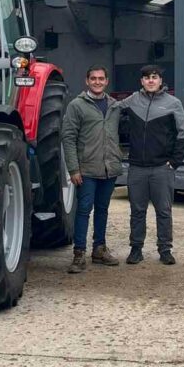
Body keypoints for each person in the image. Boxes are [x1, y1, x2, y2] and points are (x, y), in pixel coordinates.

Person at [121, 65, 184, 265]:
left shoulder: (173, 103)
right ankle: (136, 249)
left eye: (154, 77)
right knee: (137, 211)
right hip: (137, 168)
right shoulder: (132, 100)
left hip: (162, 168)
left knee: (164, 211)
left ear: (160, 81)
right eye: (146, 78)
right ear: (141, 81)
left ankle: (165, 249)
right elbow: (112, 111)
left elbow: (183, 134)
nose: (150, 81)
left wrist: (174, 162)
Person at [61, 65, 123, 274]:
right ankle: (79, 254)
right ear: (87, 81)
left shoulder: (114, 106)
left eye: (101, 79)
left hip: (108, 169)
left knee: (103, 209)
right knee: (84, 210)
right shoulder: (77, 106)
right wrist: (73, 169)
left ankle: (99, 249)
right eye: (93, 79)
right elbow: (68, 138)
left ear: (106, 81)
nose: (97, 82)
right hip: (86, 169)